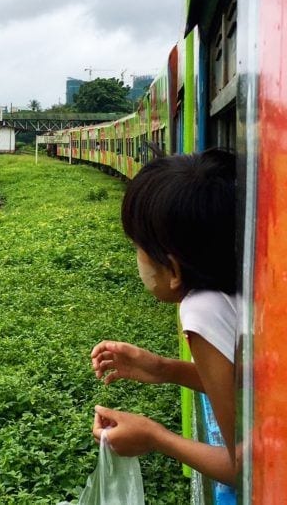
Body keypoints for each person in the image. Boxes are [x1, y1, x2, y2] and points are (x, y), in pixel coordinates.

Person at [90, 148, 238, 486]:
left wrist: (156, 437)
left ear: (172, 268)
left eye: (138, 247)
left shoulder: (202, 310)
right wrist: (164, 369)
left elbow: (246, 467)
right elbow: (247, 388)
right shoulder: (235, 288)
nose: (138, 258)